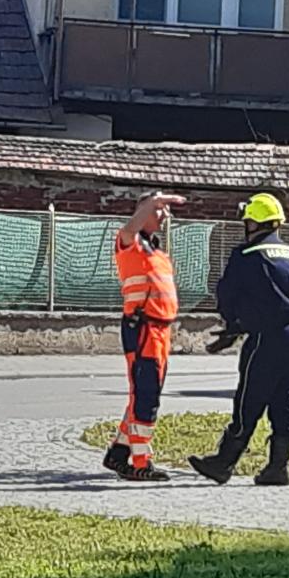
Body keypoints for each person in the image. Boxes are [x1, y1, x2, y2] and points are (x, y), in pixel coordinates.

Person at [190, 193, 289, 487]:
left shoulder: (247, 255)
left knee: (249, 398)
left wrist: (231, 328)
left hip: (269, 338)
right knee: (285, 399)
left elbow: (229, 295)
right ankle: (278, 467)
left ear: (253, 223)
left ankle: (224, 462)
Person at [102, 191, 186, 482]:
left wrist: (155, 206)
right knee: (145, 397)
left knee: (145, 394)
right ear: (143, 211)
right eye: (158, 210)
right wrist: (151, 203)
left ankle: (119, 452)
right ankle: (141, 462)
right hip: (143, 329)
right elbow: (128, 230)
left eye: (164, 211)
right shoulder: (130, 244)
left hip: (160, 331)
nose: (164, 215)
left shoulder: (156, 251)